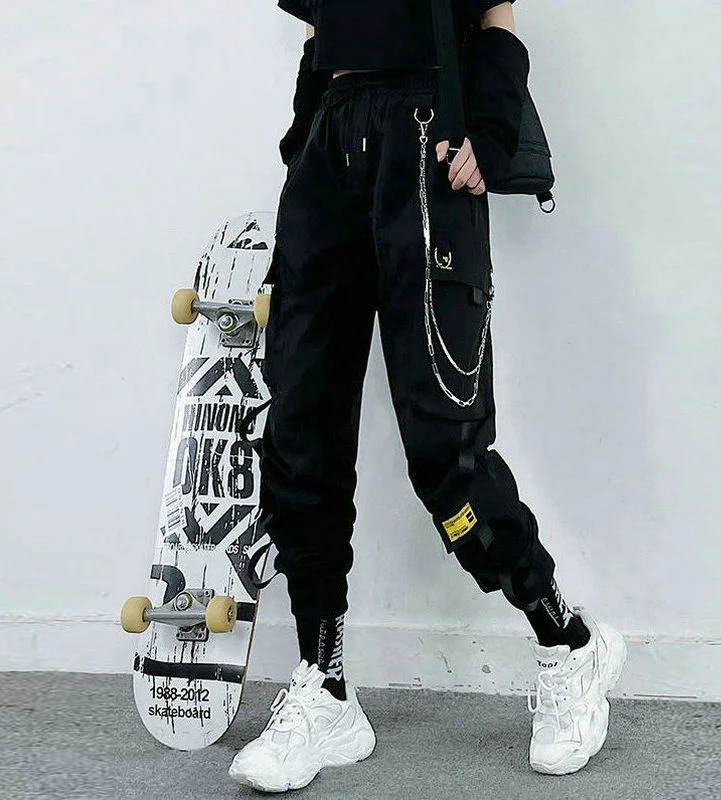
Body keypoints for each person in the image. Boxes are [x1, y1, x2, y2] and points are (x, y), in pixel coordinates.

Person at [228, 1, 626, 792]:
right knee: (301, 436)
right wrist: (306, 148)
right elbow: (316, 34)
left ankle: (568, 643)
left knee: (447, 450)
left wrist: (491, 130)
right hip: (330, 148)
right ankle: (325, 688)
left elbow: (495, 19)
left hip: (424, 150)